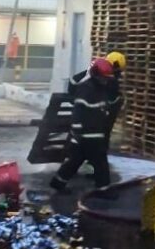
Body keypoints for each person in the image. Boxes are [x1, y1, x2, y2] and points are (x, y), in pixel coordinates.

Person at [50, 58, 121, 193]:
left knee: (75, 160)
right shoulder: (87, 89)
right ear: (95, 74)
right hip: (88, 133)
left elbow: (106, 103)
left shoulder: (100, 88)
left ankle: (58, 182)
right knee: (100, 161)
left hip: (92, 132)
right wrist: (77, 131)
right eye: (103, 78)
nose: (105, 81)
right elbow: (78, 111)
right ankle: (103, 189)